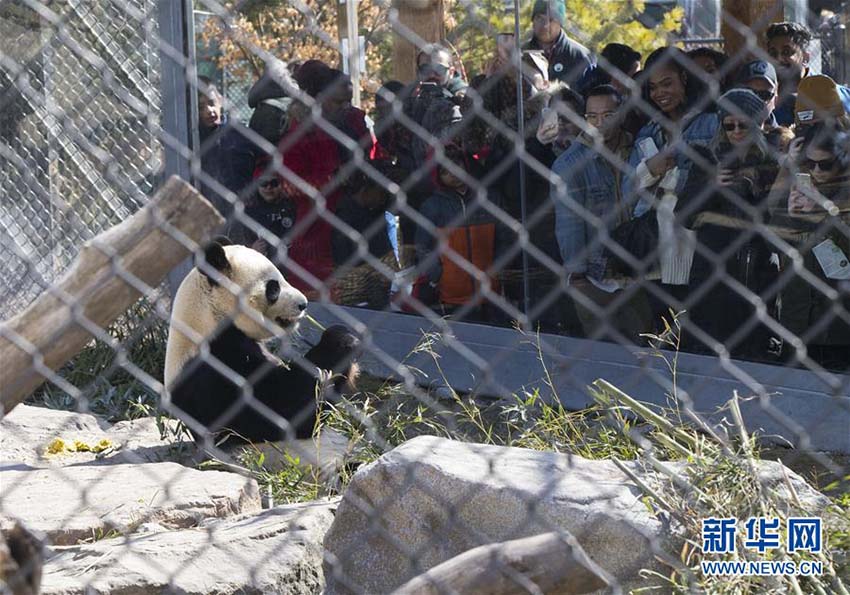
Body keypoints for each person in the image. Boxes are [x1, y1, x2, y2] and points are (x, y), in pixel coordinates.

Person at [684, 89, 780, 358]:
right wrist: (710, 187)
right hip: (712, 267)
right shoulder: (707, 159)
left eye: (743, 125)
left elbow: (778, 218)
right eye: (729, 125)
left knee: (755, 348)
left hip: (756, 266)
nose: (736, 131)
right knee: (708, 344)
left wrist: (757, 185)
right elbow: (684, 216)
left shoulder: (772, 162)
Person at [551, 85, 651, 343]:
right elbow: (569, 224)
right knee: (603, 350)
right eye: (592, 116)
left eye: (608, 115)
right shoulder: (570, 164)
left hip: (638, 268)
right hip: (595, 274)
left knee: (646, 344)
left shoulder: (640, 149)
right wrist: (577, 274)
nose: (599, 123)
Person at [772, 125, 850, 371]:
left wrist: (822, 213)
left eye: (825, 165)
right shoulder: (798, 187)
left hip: (839, 328)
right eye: (810, 163)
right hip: (797, 320)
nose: (816, 171)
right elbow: (770, 234)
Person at [414, 143, 507, 321]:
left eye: (456, 165)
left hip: (491, 292)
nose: (453, 174)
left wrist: (497, 267)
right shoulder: (432, 206)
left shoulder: (489, 198)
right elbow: (423, 247)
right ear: (437, 177)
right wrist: (439, 276)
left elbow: (505, 238)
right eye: (445, 172)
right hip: (452, 297)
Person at [332, 162, 405, 309]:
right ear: (366, 189)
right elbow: (341, 256)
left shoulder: (377, 212)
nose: (384, 198)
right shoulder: (346, 215)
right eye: (381, 192)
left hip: (380, 281)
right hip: (358, 285)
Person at [196, 77, 255, 229]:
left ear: (220, 101)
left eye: (211, 103)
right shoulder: (191, 139)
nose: (209, 111)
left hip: (240, 211)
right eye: (201, 107)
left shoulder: (238, 133)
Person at [523, 0, 594, 90]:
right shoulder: (521, 53)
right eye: (539, 18)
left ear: (560, 23)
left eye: (551, 20)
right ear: (533, 21)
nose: (545, 25)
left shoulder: (580, 56)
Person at [238, 173, 297, 270]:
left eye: (274, 183)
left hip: (290, 264)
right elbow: (236, 243)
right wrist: (251, 250)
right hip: (260, 266)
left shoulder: (291, 207)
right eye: (263, 183)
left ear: (281, 184)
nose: (269, 187)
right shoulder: (248, 211)